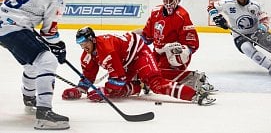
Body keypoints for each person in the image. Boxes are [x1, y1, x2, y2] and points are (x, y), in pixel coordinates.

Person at [0, 0, 75, 130]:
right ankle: (44, 114)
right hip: (13, 27)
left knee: (33, 62)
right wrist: (59, 47)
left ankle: (29, 98)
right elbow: (48, 34)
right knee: (47, 61)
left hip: (4, 20)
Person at [61, 27, 216, 105]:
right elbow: (88, 77)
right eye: (80, 44)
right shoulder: (87, 56)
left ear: (93, 40)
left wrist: (104, 91)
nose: (83, 46)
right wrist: (78, 90)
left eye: (85, 42)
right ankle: (140, 85)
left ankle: (195, 96)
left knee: (156, 83)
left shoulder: (107, 50)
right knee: (117, 92)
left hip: (138, 53)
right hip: (124, 61)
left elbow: (118, 79)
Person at [135, 0, 214, 92]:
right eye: (166, 1)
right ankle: (146, 83)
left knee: (159, 75)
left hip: (172, 55)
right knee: (142, 68)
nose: (168, 4)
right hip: (157, 53)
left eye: (171, 0)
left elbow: (192, 44)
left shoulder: (182, 16)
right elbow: (147, 36)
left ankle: (198, 80)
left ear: (177, 0)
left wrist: (181, 51)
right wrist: (135, 40)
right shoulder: (155, 12)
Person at [207, 0, 271, 76]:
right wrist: (216, 17)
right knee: (246, 48)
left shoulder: (255, 5)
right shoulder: (227, 3)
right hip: (239, 34)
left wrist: (262, 28)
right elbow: (211, 6)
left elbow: (264, 18)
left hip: (256, 32)